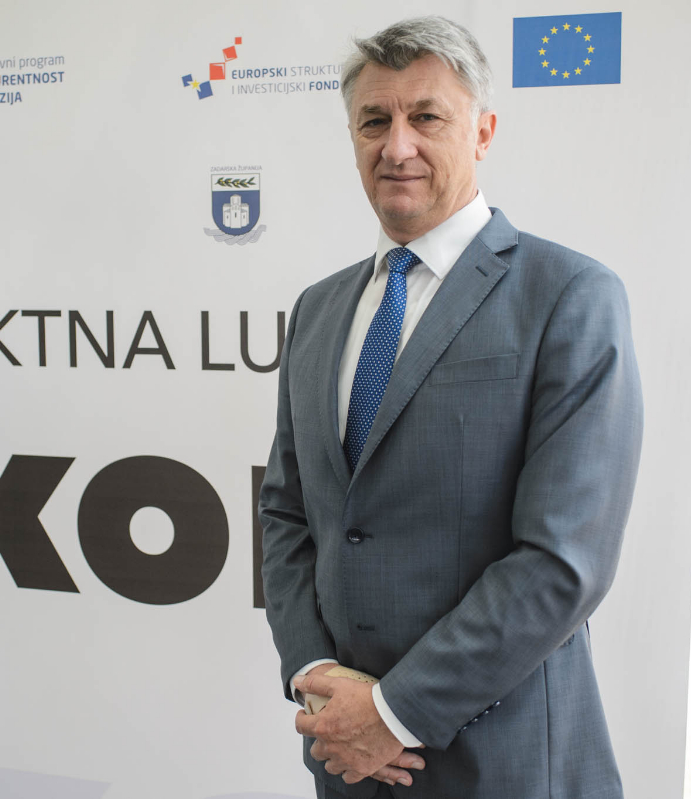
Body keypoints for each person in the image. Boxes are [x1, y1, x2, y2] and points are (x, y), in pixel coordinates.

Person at [258, 16, 644, 799]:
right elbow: (288, 511)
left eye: (426, 117)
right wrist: (316, 672)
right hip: (346, 759)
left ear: (484, 132)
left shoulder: (569, 296)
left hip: (506, 765)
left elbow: (562, 561)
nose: (396, 145)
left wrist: (393, 711)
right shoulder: (318, 310)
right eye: (374, 121)